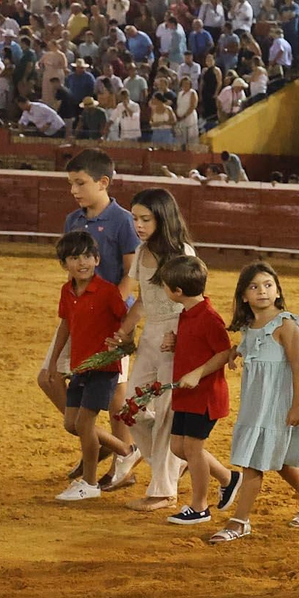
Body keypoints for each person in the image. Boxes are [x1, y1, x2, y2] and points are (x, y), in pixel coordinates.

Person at [39, 150, 140, 485]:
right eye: (71, 184)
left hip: (111, 317)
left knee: (116, 397)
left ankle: (119, 463)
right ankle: (97, 439)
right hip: (79, 312)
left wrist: (119, 317)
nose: (74, 190)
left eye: (80, 183)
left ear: (103, 182)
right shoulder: (73, 220)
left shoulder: (123, 220)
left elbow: (131, 273)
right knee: (49, 377)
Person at [211, 263, 299, 543]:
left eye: (268, 285)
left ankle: (240, 522)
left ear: (278, 291)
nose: (262, 291)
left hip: (277, 406)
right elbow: (252, 348)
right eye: (254, 287)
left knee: (253, 462)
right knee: (281, 460)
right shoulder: (249, 327)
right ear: (244, 296)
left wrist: (297, 406)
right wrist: (235, 352)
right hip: (254, 406)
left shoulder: (286, 325)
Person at [105, 188, 193, 511]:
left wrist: (182, 337)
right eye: (135, 219)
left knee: (167, 412)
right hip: (151, 336)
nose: (138, 225)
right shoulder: (142, 252)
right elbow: (142, 301)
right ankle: (171, 463)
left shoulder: (183, 252)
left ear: (163, 219)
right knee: (131, 407)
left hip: (177, 336)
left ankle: (163, 491)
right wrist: (123, 331)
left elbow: (193, 302)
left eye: (145, 219)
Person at [49, 232, 134, 504]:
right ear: (64, 264)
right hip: (80, 367)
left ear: (97, 259)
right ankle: (127, 450)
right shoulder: (66, 291)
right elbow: (65, 325)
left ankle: (90, 483)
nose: (82, 262)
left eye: (87, 256)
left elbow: (126, 321)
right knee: (71, 423)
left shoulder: (108, 291)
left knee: (85, 424)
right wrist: (54, 361)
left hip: (104, 368)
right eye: (74, 258)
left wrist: (124, 343)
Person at [160, 255, 239, 526]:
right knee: (178, 447)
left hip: (204, 396)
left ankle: (200, 506)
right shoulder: (188, 313)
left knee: (192, 450)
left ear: (177, 291)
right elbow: (199, 346)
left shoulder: (209, 317)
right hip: (187, 395)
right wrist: (176, 344)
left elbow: (223, 353)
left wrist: (197, 373)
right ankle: (228, 478)